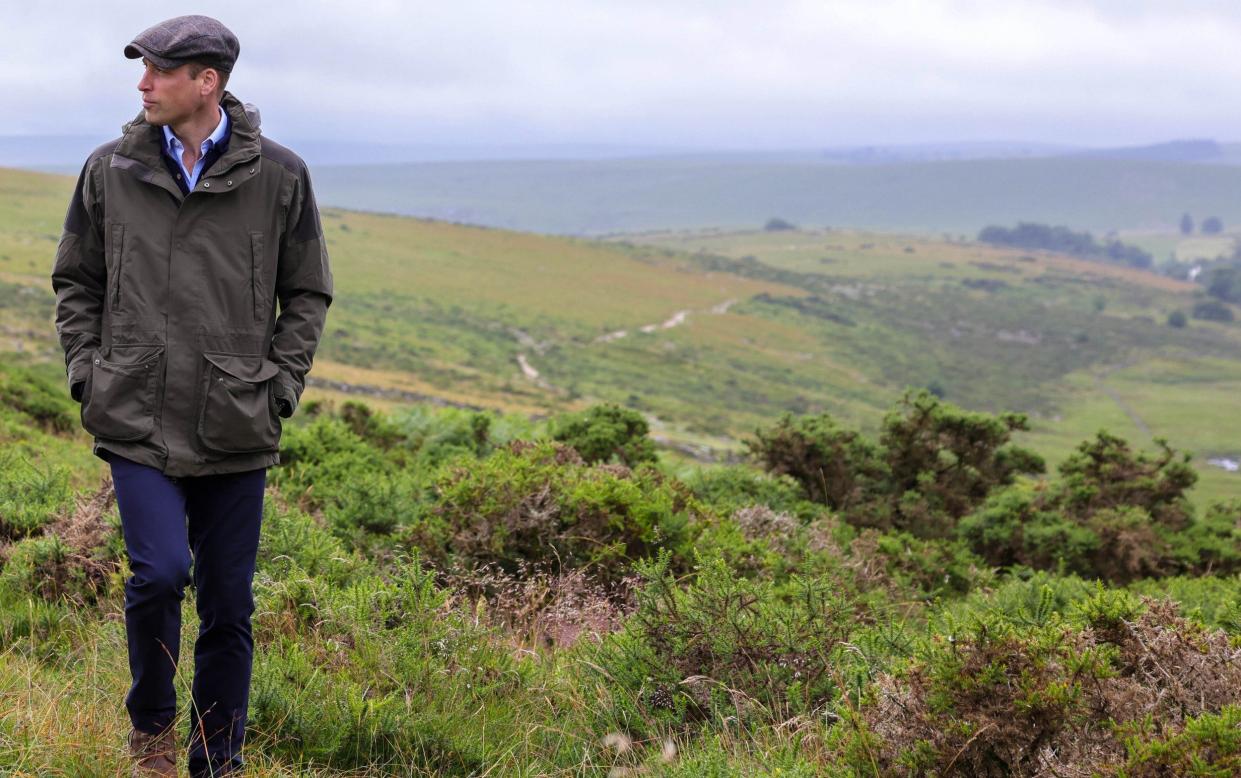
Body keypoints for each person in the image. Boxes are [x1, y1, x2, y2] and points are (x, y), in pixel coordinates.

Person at [50, 14, 333, 777]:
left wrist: (280, 386)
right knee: (160, 574)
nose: (143, 83)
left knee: (230, 606)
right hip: (133, 413)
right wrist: (88, 372)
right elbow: (76, 282)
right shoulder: (109, 169)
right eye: (142, 69)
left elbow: (306, 294)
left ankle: (218, 761)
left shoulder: (281, 176)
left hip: (237, 419)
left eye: (158, 71)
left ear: (207, 82)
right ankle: (152, 732)